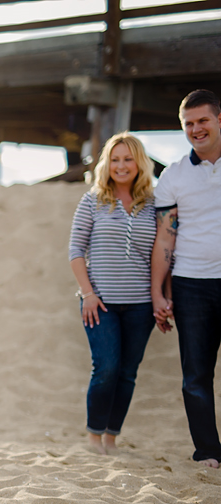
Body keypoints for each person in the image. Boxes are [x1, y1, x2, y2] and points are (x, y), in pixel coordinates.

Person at [69, 132, 163, 455]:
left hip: (140, 305)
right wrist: (88, 293)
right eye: (115, 159)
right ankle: (94, 436)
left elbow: (163, 254)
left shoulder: (154, 204)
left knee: (127, 373)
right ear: (106, 164)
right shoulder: (92, 200)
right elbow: (75, 250)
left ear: (139, 163)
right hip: (100, 303)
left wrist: (162, 296)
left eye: (127, 159)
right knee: (106, 367)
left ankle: (112, 436)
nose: (121, 165)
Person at [151, 89, 221, 469]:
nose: (196, 129)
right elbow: (166, 235)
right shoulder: (174, 175)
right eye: (189, 124)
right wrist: (158, 292)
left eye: (203, 120)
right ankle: (208, 451)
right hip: (191, 284)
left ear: (219, 120)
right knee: (196, 374)